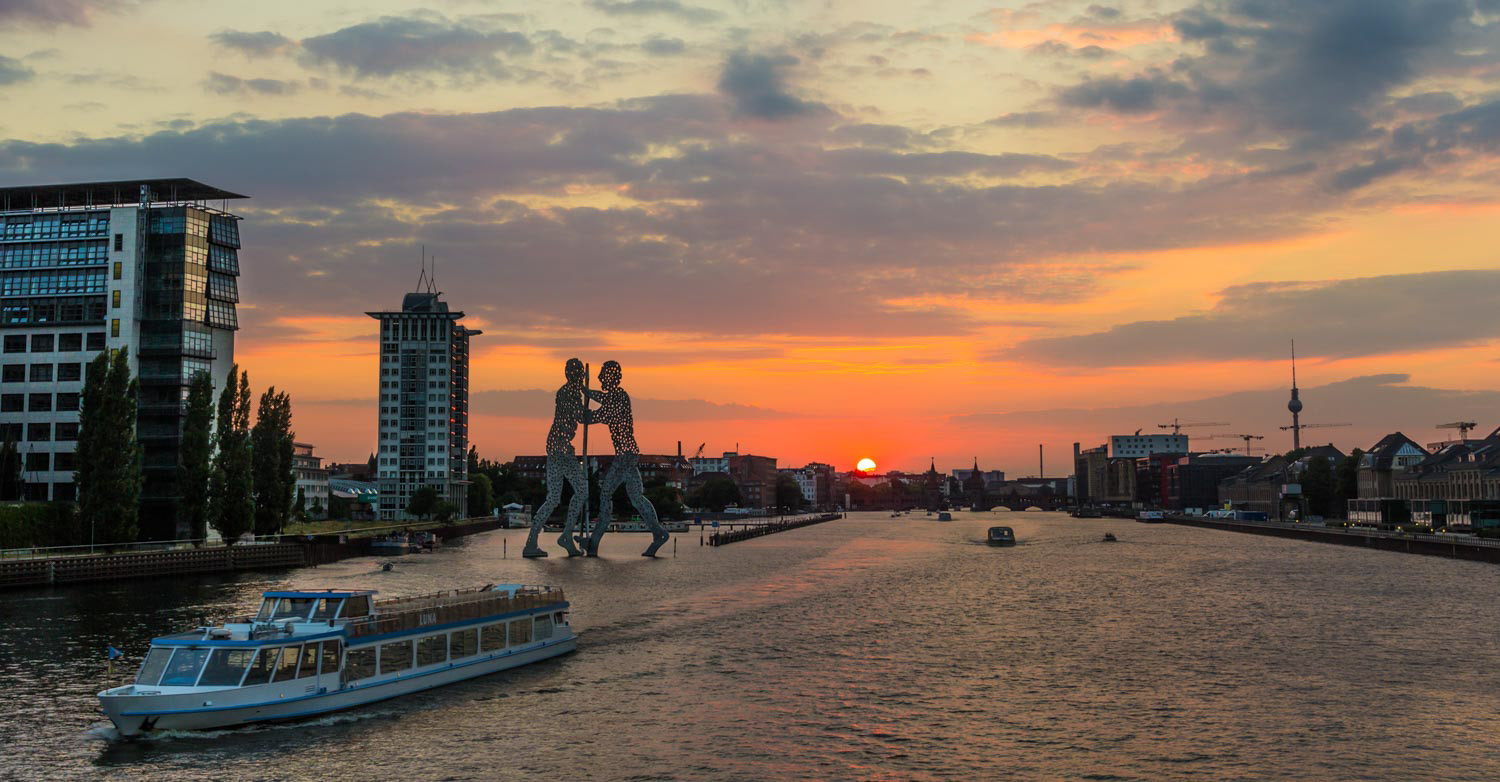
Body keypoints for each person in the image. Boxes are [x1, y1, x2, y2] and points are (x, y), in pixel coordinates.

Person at [584, 360, 669, 557]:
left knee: (606, 494)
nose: (599, 377)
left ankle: (594, 543)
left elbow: (602, 413)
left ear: (611, 377)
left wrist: (587, 411)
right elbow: (602, 399)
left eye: (603, 374)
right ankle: (659, 533)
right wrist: (586, 393)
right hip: (629, 455)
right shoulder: (614, 396)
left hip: (625, 456)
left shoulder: (619, 397)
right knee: (637, 498)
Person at [523, 358, 589, 557]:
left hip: (556, 447)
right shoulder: (569, 393)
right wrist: (603, 411)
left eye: (580, 374)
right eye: (577, 374)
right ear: (572, 375)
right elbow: (582, 417)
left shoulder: (567, 391)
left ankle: (531, 543)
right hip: (560, 449)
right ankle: (566, 536)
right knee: (582, 490)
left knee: (553, 498)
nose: (579, 377)